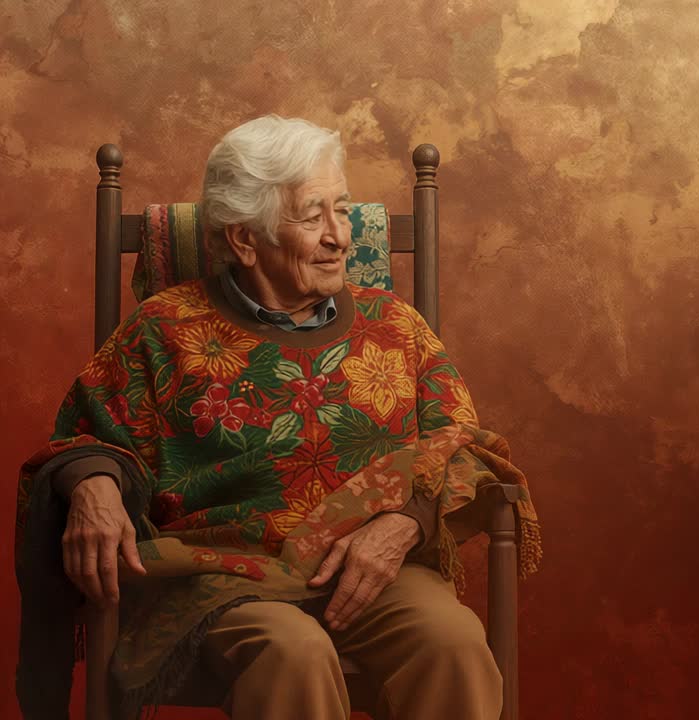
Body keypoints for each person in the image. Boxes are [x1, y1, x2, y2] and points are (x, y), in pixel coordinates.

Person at [15, 115, 541, 720]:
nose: (339, 237)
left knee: (454, 645)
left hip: (370, 568)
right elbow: (87, 433)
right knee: (293, 653)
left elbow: (463, 444)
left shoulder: (396, 326)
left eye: (341, 211)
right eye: (312, 216)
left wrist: (404, 523)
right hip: (225, 577)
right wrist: (94, 484)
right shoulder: (165, 328)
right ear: (244, 239)